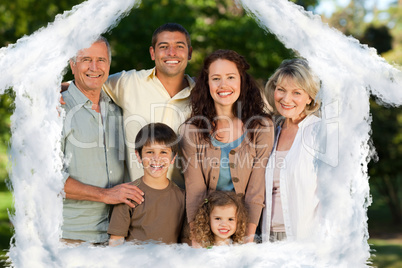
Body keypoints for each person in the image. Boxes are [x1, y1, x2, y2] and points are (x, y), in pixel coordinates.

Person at [180, 49, 274, 244]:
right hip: (205, 231)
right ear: (207, 84)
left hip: (247, 231)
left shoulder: (261, 127)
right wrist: (199, 241)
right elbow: (195, 190)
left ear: (242, 81)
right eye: (216, 78)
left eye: (231, 77)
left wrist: (245, 241)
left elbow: (256, 191)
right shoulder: (192, 130)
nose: (223, 85)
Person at [61, 37, 144, 244]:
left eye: (101, 60)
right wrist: (105, 195)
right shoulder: (57, 111)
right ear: (73, 65)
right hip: (72, 237)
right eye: (86, 59)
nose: (94, 67)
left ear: (109, 64)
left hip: (117, 235)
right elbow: (47, 179)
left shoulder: (117, 109)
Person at [102, 23, 194, 188]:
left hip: (183, 205)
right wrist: (56, 96)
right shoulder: (129, 83)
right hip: (135, 202)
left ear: (189, 53)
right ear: (153, 53)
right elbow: (86, 83)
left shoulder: (202, 97)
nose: (171, 52)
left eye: (179, 46)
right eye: (163, 46)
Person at [261, 58, 321, 242]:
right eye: (281, 90)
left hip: (305, 239)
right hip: (266, 238)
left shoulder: (319, 132)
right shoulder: (270, 132)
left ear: (310, 97)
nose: (286, 99)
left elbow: (335, 196)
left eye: (296, 92)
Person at [107, 123, 185, 246]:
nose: (156, 158)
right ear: (138, 156)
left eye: (164, 152)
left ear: (173, 157)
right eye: (150, 152)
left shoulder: (181, 197)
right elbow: (116, 242)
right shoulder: (127, 194)